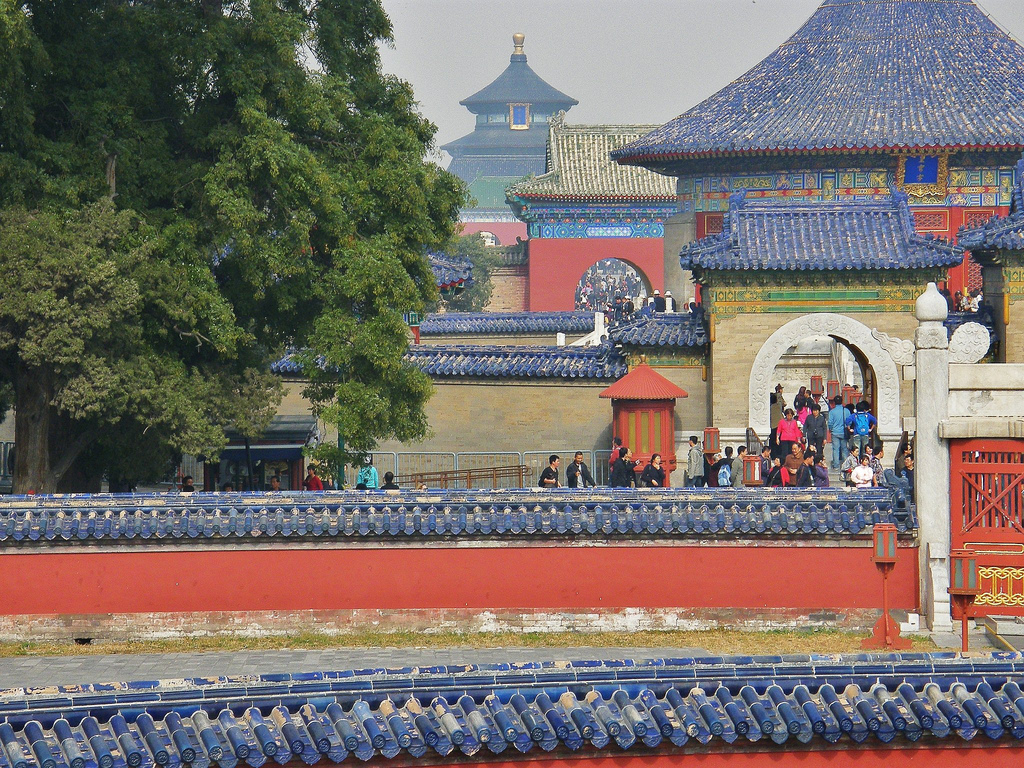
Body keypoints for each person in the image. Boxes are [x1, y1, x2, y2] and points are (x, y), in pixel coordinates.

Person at [827, 397, 848, 470]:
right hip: (843, 432)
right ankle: (846, 465)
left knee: (836, 449)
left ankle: (836, 465)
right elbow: (849, 421)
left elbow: (830, 422)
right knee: (844, 449)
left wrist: (830, 429)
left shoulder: (832, 412)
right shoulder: (846, 411)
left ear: (834, 403)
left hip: (835, 432)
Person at [769, 384, 786, 458]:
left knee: (773, 441)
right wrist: (779, 393)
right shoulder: (778, 405)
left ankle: (773, 455)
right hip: (779, 425)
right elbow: (783, 403)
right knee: (779, 441)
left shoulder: (769, 407)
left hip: (772, 425)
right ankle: (779, 455)